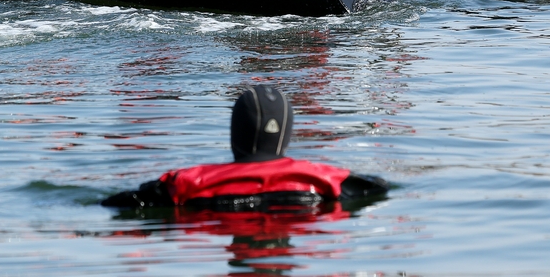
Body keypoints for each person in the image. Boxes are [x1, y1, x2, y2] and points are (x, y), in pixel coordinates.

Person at [102, 84, 388, 210]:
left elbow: (117, 205)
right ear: (287, 133)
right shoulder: (331, 181)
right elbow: (379, 188)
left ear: (235, 132)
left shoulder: (182, 184)